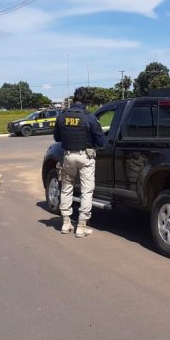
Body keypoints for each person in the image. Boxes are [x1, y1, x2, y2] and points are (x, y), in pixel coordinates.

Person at [53, 100, 106, 237]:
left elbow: (56, 138)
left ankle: (66, 223)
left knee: (66, 188)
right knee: (86, 191)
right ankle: (81, 226)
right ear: (85, 102)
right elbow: (101, 141)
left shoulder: (62, 116)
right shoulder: (89, 117)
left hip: (68, 156)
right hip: (86, 157)